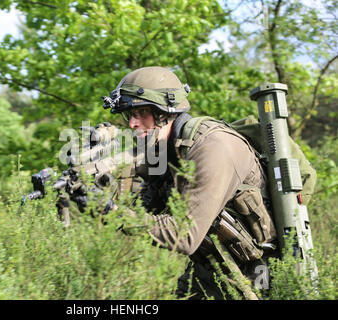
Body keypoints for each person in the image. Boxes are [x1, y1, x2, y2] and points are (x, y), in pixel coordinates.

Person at [102, 66, 278, 300]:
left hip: (257, 274)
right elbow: (145, 209)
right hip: (212, 267)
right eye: (128, 115)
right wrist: (102, 193)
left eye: (141, 112)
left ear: (164, 112)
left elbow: (183, 236)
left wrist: (112, 212)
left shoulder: (212, 147)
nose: (132, 124)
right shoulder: (169, 149)